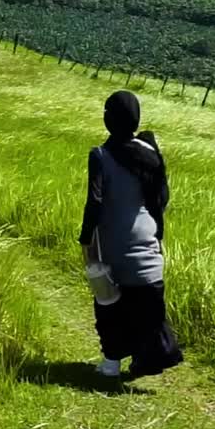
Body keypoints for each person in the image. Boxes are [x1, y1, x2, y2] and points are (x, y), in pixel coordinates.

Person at [79, 90, 184, 378]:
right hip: (149, 248)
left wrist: (86, 242)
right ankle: (145, 357)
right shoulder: (150, 153)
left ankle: (111, 364)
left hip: (114, 246)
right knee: (147, 311)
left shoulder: (100, 155)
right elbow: (161, 198)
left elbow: (95, 202)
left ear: (107, 120)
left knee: (108, 305)